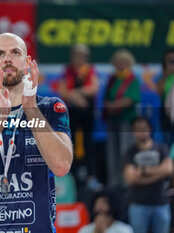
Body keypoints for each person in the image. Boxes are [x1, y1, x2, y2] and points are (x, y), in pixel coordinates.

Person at [0, 32, 73, 232]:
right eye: (0, 54)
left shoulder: (50, 108)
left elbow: (61, 166)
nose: (8, 58)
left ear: (27, 62)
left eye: (15, 52)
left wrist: (31, 109)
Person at [58, 43, 100, 190]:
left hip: (87, 115)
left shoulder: (90, 71)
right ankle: (73, 177)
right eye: (77, 55)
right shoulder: (68, 71)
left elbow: (94, 89)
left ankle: (91, 177)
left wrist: (77, 93)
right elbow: (63, 91)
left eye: (82, 55)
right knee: (71, 144)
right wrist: (77, 98)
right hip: (72, 114)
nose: (79, 58)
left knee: (89, 145)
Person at [123, 116, 172, 233]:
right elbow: (130, 178)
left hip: (160, 202)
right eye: (138, 129)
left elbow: (169, 169)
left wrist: (143, 171)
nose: (141, 132)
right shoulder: (130, 152)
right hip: (138, 203)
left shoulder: (162, 148)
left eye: (144, 128)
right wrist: (158, 173)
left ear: (150, 129)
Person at [103, 49, 140, 188]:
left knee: (125, 150)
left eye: (123, 62)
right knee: (112, 151)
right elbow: (107, 97)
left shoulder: (132, 79)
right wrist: (109, 105)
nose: (120, 64)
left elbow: (133, 98)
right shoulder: (113, 79)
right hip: (113, 120)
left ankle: (127, 182)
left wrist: (115, 105)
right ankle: (114, 181)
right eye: (118, 62)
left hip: (127, 120)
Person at [157, 49, 174, 145]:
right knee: (167, 141)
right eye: (169, 61)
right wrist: (166, 75)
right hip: (166, 113)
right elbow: (159, 92)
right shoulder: (163, 77)